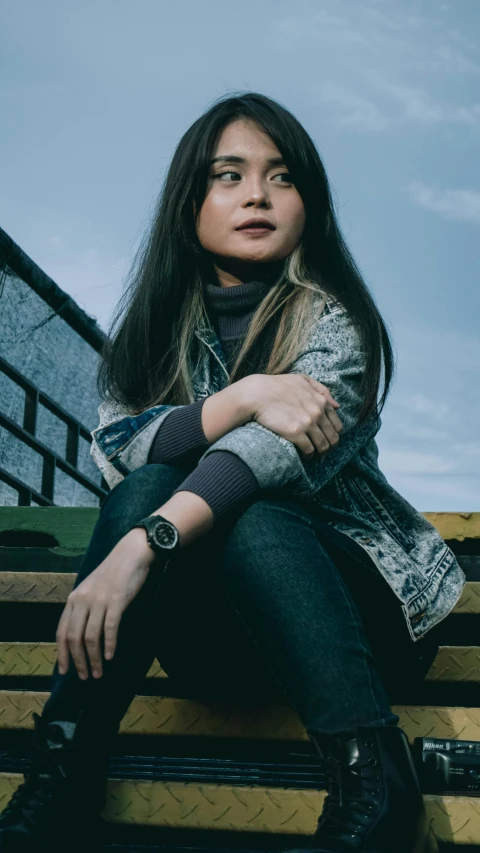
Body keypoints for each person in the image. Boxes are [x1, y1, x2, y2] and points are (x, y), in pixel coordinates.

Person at [0, 92, 464, 853]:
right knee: (154, 481)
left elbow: (273, 455)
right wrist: (244, 396)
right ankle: (62, 773)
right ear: (190, 203)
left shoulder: (335, 319)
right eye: (230, 175)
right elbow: (117, 446)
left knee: (248, 505)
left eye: (282, 177)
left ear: (307, 203)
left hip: (350, 621)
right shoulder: (151, 334)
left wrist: (141, 543)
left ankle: (376, 785)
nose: (257, 194)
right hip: (219, 639)